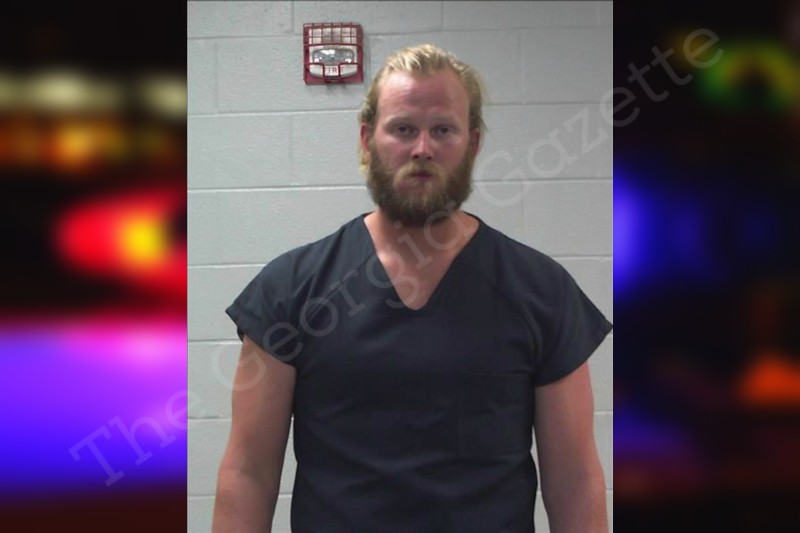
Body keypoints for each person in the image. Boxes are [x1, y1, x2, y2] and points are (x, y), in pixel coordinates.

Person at [212, 44, 611, 532]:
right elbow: (248, 473)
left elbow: (574, 480)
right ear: (367, 138)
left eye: (443, 129)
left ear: (473, 142)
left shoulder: (542, 291)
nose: (422, 148)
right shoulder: (290, 289)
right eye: (403, 129)